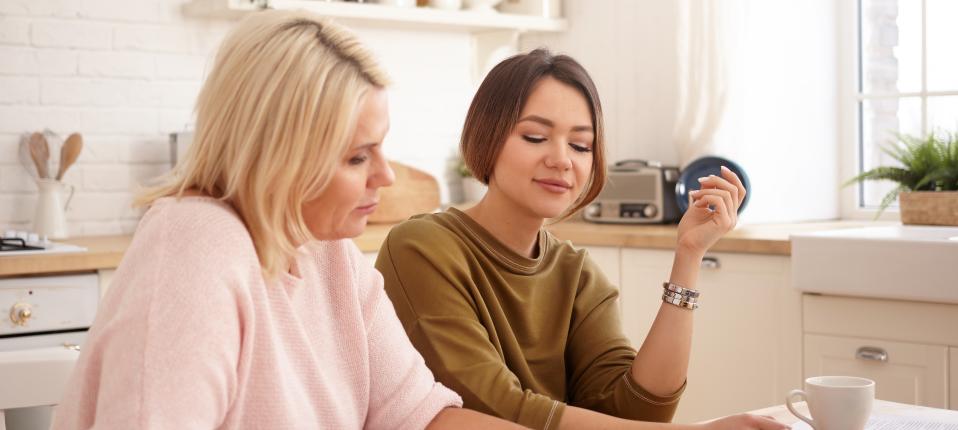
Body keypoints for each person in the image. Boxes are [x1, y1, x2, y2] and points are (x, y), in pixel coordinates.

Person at [52, 10, 523, 430]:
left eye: (379, 147)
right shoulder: (194, 248)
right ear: (280, 157)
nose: (386, 175)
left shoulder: (328, 251)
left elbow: (420, 416)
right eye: (357, 157)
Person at [375, 49, 786, 430]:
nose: (562, 159)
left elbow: (638, 411)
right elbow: (496, 408)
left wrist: (689, 255)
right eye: (535, 137)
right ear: (487, 137)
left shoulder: (577, 273)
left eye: (580, 145)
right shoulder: (421, 248)